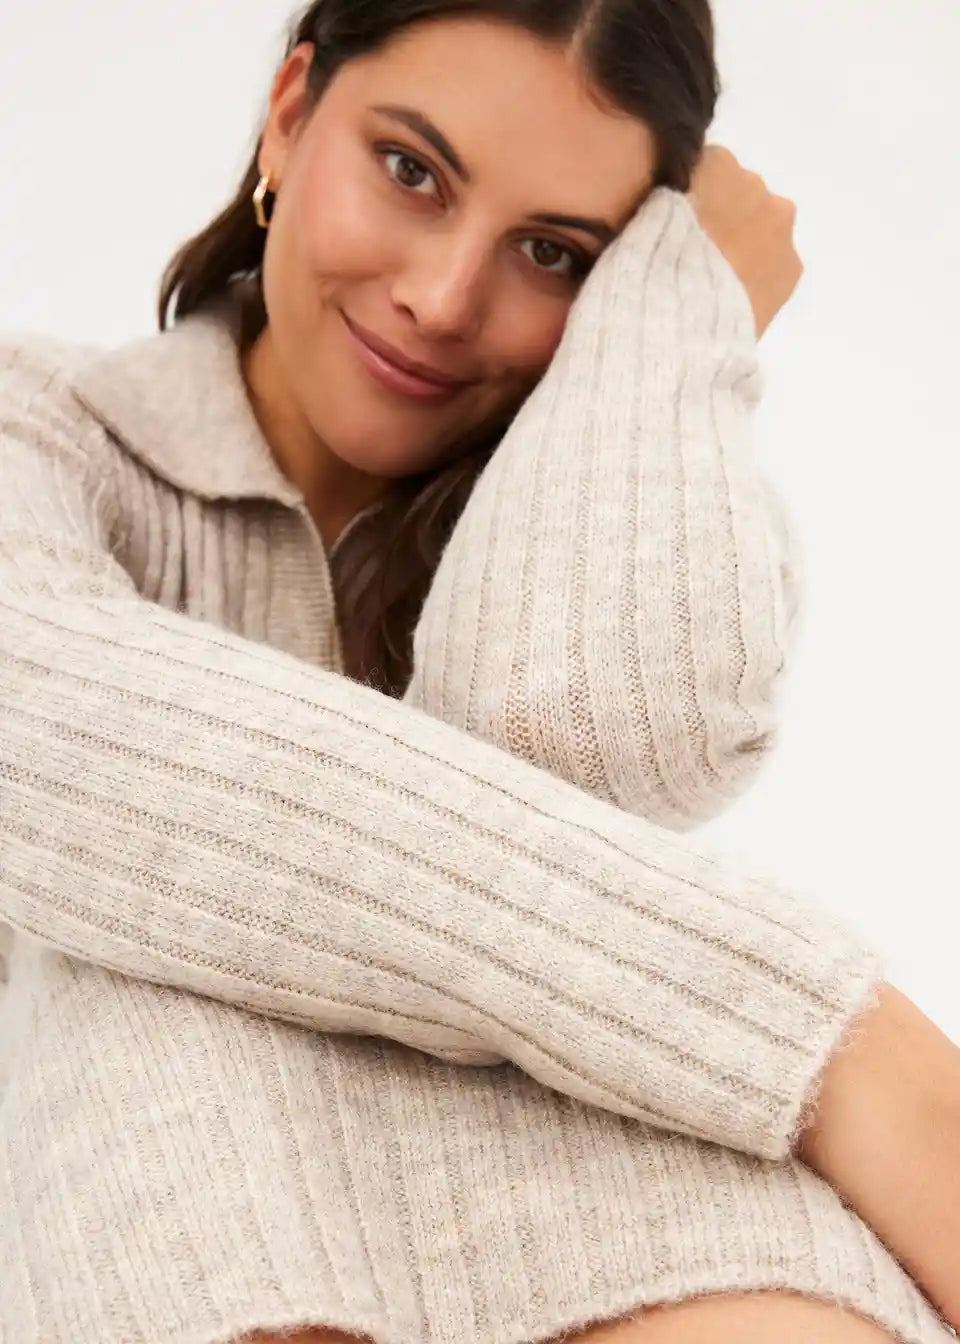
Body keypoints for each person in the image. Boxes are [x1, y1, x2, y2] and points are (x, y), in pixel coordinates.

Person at [0, 1, 957, 1342]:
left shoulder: (635, 476)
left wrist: (680, 310)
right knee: (126, 953)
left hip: (597, 1168)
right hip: (203, 1195)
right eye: (411, 170)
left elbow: (574, 725)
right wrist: (834, 1047)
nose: (445, 304)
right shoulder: (36, 429)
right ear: (291, 115)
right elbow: (59, 760)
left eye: (556, 253)